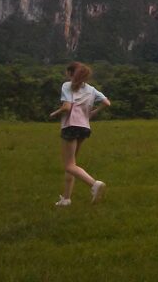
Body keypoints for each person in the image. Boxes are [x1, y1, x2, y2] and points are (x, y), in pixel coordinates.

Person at [48, 62, 110, 207]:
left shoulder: (67, 86)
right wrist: (94, 112)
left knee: (69, 165)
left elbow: (66, 107)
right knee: (73, 164)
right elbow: (107, 103)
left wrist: (54, 114)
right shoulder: (91, 89)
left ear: (70, 73)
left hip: (70, 127)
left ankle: (94, 184)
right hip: (84, 128)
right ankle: (66, 198)